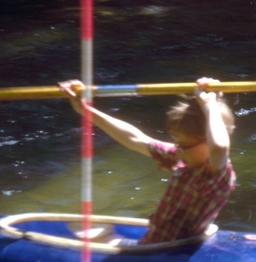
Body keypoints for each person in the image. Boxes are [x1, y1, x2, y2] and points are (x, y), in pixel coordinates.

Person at [58, 78, 236, 245]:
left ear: (208, 141)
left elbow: (219, 147)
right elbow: (135, 139)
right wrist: (85, 110)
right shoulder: (181, 156)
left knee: (82, 240)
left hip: (164, 253)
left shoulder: (216, 177)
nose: (178, 148)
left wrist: (209, 105)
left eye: (184, 144)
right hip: (150, 242)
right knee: (80, 229)